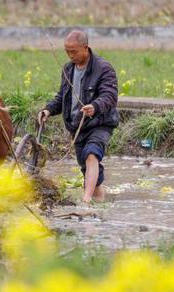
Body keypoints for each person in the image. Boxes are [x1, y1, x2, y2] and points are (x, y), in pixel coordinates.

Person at [38, 30, 119, 204]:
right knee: (90, 175)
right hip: (77, 126)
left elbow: (110, 96)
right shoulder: (68, 69)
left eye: (73, 51)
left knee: (92, 155)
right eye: (67, 51)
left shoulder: (103, 68)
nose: (70, 55)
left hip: (99, 123)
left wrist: (95, 106)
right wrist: (48, 110)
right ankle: (97, 202)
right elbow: (62, 97)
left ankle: (86, 201)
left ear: (86, 48)